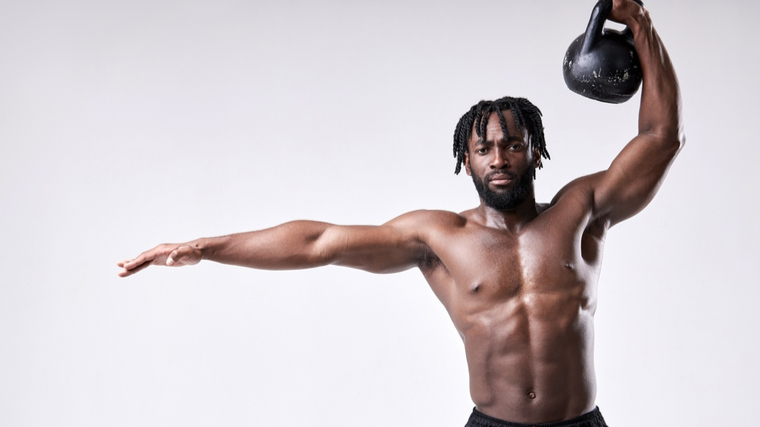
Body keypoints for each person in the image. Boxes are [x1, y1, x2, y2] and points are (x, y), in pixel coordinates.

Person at [117, 0, 683, 425]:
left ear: (535, 150)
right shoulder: (438, 237)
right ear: (466, 161)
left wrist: (641, 24)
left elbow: (661, 136)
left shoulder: (581, 212)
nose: (499, 159)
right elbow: (318, 243)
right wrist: (204, 248)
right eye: (484, 149)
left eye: (512, 145)